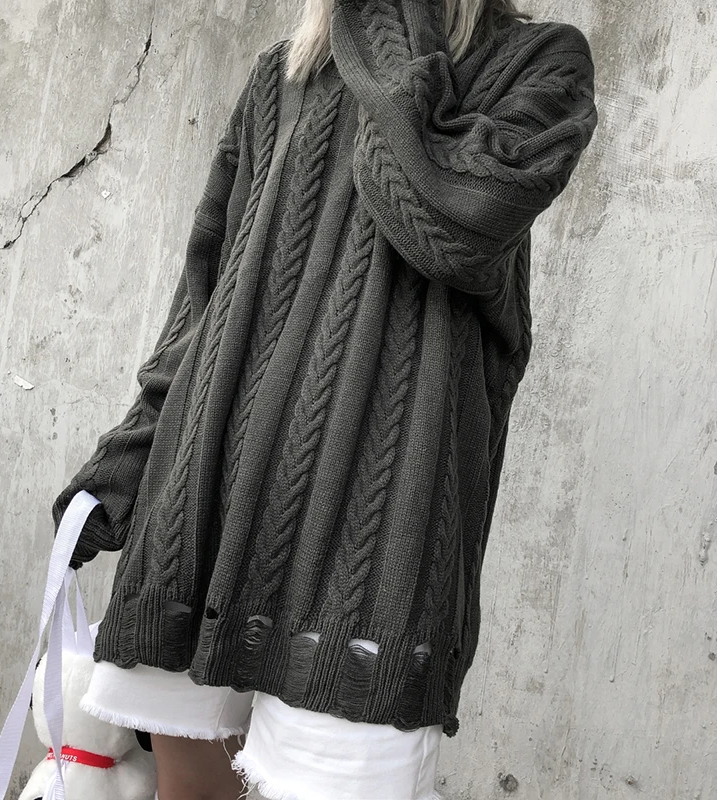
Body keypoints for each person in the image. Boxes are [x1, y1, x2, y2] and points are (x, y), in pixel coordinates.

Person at [50, 0, 598, 797]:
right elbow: (203, 298)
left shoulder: (543, 64)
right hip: (209, 504)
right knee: (190, 786)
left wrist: (377, 24)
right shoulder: (283, 74)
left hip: (377, 540)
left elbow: (455, 223)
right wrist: (125, 462)